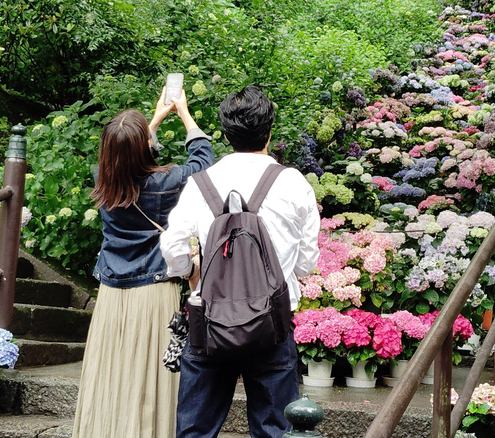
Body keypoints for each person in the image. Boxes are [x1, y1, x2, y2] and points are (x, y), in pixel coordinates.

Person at [160, 85, 320, 438]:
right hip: (272, 325)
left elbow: (171, 246)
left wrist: (189, 271)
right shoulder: (293, 183)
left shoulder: (202, 182)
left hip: (210, 322)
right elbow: (306, 263)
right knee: (276, 429)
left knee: (195, 430)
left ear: (225, 132)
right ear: (270, 130)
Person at [72, 86, 214, 438]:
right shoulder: (166, 183)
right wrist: (181, 113)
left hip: (111, 293)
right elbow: (203, 160)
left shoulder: (103, 179)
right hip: (152, 291)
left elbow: (126, 155)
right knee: (148, 375)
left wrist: (151, 121)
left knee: (112, 372)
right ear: (145, 146)